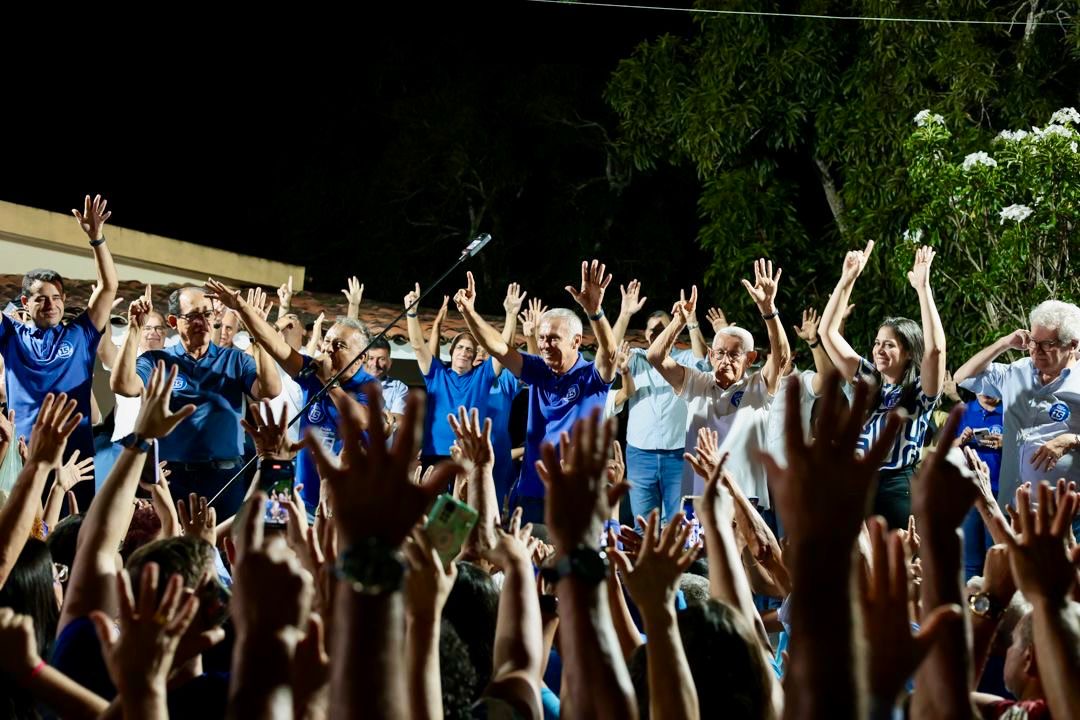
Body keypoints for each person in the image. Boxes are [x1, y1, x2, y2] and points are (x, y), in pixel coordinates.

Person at [453, 261, 619, 523]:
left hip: (577, 493)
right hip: (533, 490)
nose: (544, 345)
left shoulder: (591, 377)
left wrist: (596, 312)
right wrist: (469, 313)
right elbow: (499, 348)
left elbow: (609, 354)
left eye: (553, 338)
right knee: (527, 561)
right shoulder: (537, 369)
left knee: (568, 563)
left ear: (576, 341)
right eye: (541, 338)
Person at [205, 278, 375, 518]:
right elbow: (275, 345)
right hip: (301, 500)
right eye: (327, 342)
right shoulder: (312, 372)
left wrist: (329, 383)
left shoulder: (368, 386)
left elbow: (362, 421)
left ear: (362, 358)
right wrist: (242, 309)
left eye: (339, 345)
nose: (328, 350)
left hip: (346, 508)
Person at [109, 286, 281, 516]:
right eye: (192, 316)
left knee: (224, 548)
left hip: (226, 477)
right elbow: (123, 385)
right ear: (173, 321)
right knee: (172, 548)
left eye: (207, 314)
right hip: (172, 478)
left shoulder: (235, 359)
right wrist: (134, 329)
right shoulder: (157, 360)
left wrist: (259, 334)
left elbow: (269, 390)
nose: (202, 321)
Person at [0, 195, 118, 507]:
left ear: (64, 301)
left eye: (56, 297)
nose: (50, 304)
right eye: (40, 298)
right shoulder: (10, 334)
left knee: (73, 536)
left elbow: (108, 288)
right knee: (29, 536)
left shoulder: (81, 333)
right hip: (25, 455)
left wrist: (96, 238)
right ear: (25, 303)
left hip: (75, 455)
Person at [818, 242, 946, 529]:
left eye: (889, 345)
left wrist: (923, 291)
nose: (879, 350)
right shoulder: (869, 380)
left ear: (909, 352)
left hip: (896, 486)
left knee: (898, 564)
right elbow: (826, 332)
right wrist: (847, 279)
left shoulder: (919, 393)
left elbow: (935, 350)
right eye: (877, 343)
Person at [646, 260, 790, 509]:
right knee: (699, 550)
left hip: (746, 495)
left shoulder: (758, 387)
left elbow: (782, 357)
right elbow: (655, 357)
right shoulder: (697, 383)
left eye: (734, 354)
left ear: (750, 359)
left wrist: (769, 309)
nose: (725, 360)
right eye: (719, 353)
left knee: (744, 550)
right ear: (710, 356)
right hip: (699, 494)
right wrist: (678, 322)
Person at [954, 300, 1080, 514]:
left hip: (1063, 516)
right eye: (1033, 341)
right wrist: (1003, 343)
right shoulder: (1017, 371)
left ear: (1073, 345)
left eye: (1047, 344)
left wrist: (1072, 440)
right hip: (1012, 509)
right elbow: (962, 377)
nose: (1036, 351)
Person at [609, 280, 710, 522]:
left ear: (672, 332)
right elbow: (608, 353)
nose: (655, 333)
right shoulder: (635, 358)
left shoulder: (683, 360)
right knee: (642, 522)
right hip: (639, 453)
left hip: (677, 453)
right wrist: (624, 314)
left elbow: (704, 360)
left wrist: (691, 320)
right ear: (644, 333)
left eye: (661, 329)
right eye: (651, 330)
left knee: (677, 523)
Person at [405, 280, 516, 470]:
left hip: (470, 457)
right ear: (452, 351)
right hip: (435, 455)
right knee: (435, 502)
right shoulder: (436, 373)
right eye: (460, 348)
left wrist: (511, 314)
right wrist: (411, 313)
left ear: (474, 357)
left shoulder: (482, 375)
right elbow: (417, 345)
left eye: (469, 350)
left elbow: (502, 351)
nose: (464, 352)